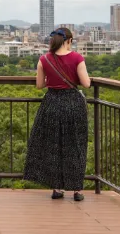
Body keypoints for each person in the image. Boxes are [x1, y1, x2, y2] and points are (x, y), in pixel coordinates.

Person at [22, 27, 92, 201]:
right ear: (68, 40)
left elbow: (39, 85)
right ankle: (76, 190)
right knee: (75, 145)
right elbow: (86, 83)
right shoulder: (77, 58)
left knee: (53, 145)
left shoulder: (44, 59)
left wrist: (53, 80)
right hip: (73, 104)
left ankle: (56, 188)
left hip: (52, 102)